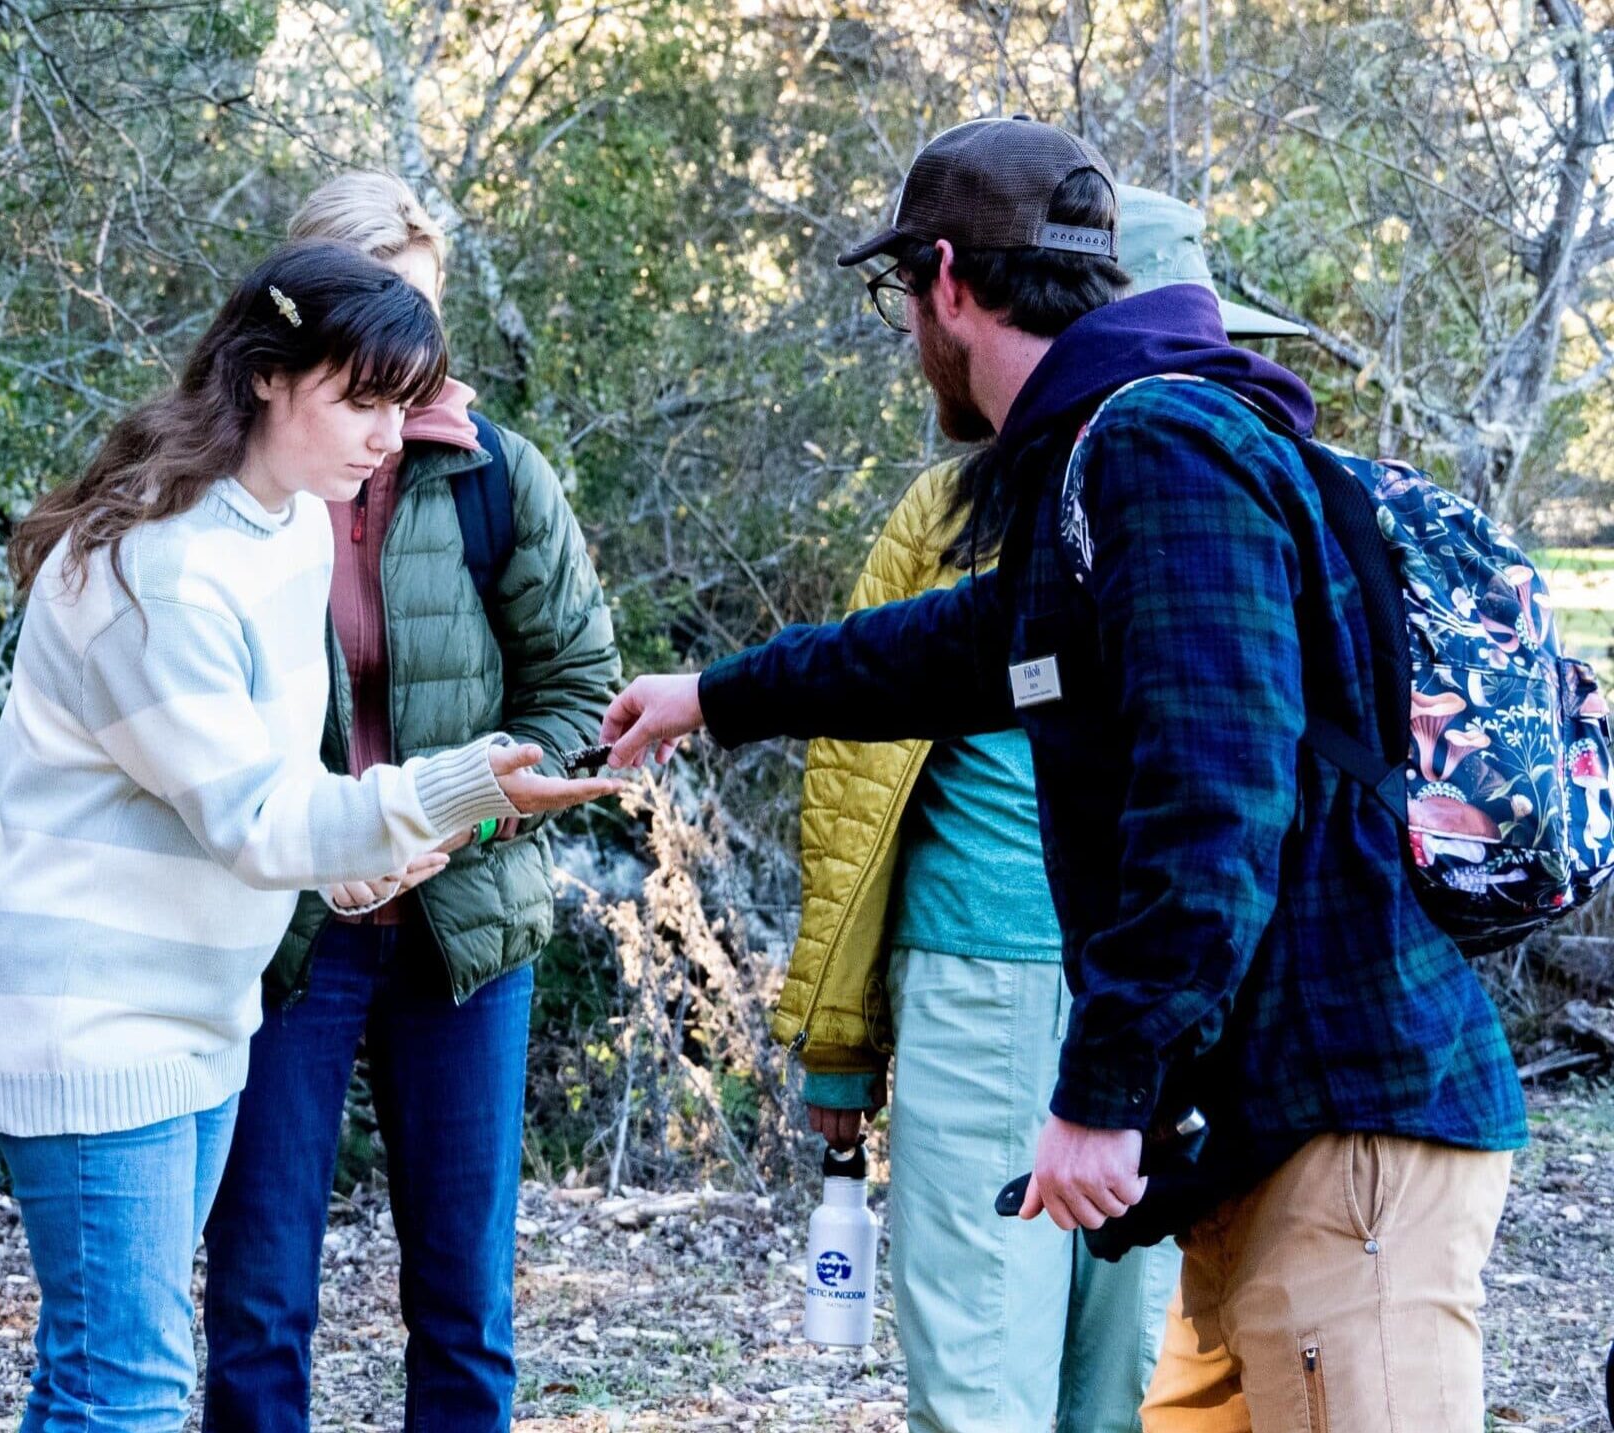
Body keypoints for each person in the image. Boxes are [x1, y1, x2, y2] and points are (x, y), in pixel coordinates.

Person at [603, 117, 1524, 1433]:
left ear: (950, 280)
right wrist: (716, 695)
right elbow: (964, 645)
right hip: (1276, 1138)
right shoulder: (1099, 459)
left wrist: (1101, 1092)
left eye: (899, 296)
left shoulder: (1157, 450)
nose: (906, 328)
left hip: (1351, 1132)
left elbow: (1217, 799)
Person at [0, 240, 622, 1433]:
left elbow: (269, 785)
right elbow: (256, 817)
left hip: (195, 1006)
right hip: (91, 1021)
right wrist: (460, 784)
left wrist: (371, 861)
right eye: (360, 401)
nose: (385, 435)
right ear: (266, 375)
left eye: (400, 404)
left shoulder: (285, 522)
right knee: (130, 1394)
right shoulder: (158, 567)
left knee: (89, 1378)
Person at [787, 183, 1303, 1433]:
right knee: (989, 1364)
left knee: (1113, 1378)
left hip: (1152, 987)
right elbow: (860, 783)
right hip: (991, 961)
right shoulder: (969, 512)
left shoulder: (1190, 470)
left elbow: (1226, 784)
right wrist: (839, 1035)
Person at [200, 173, 621, 1433]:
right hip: (284, 936)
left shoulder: (495, 476)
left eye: (423, 323)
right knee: (259, 1302)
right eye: (373, 325)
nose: (406, 365)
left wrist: (457, 819)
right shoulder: (227, 495)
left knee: (461, 1304)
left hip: (466, 930)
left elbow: (578, 688)